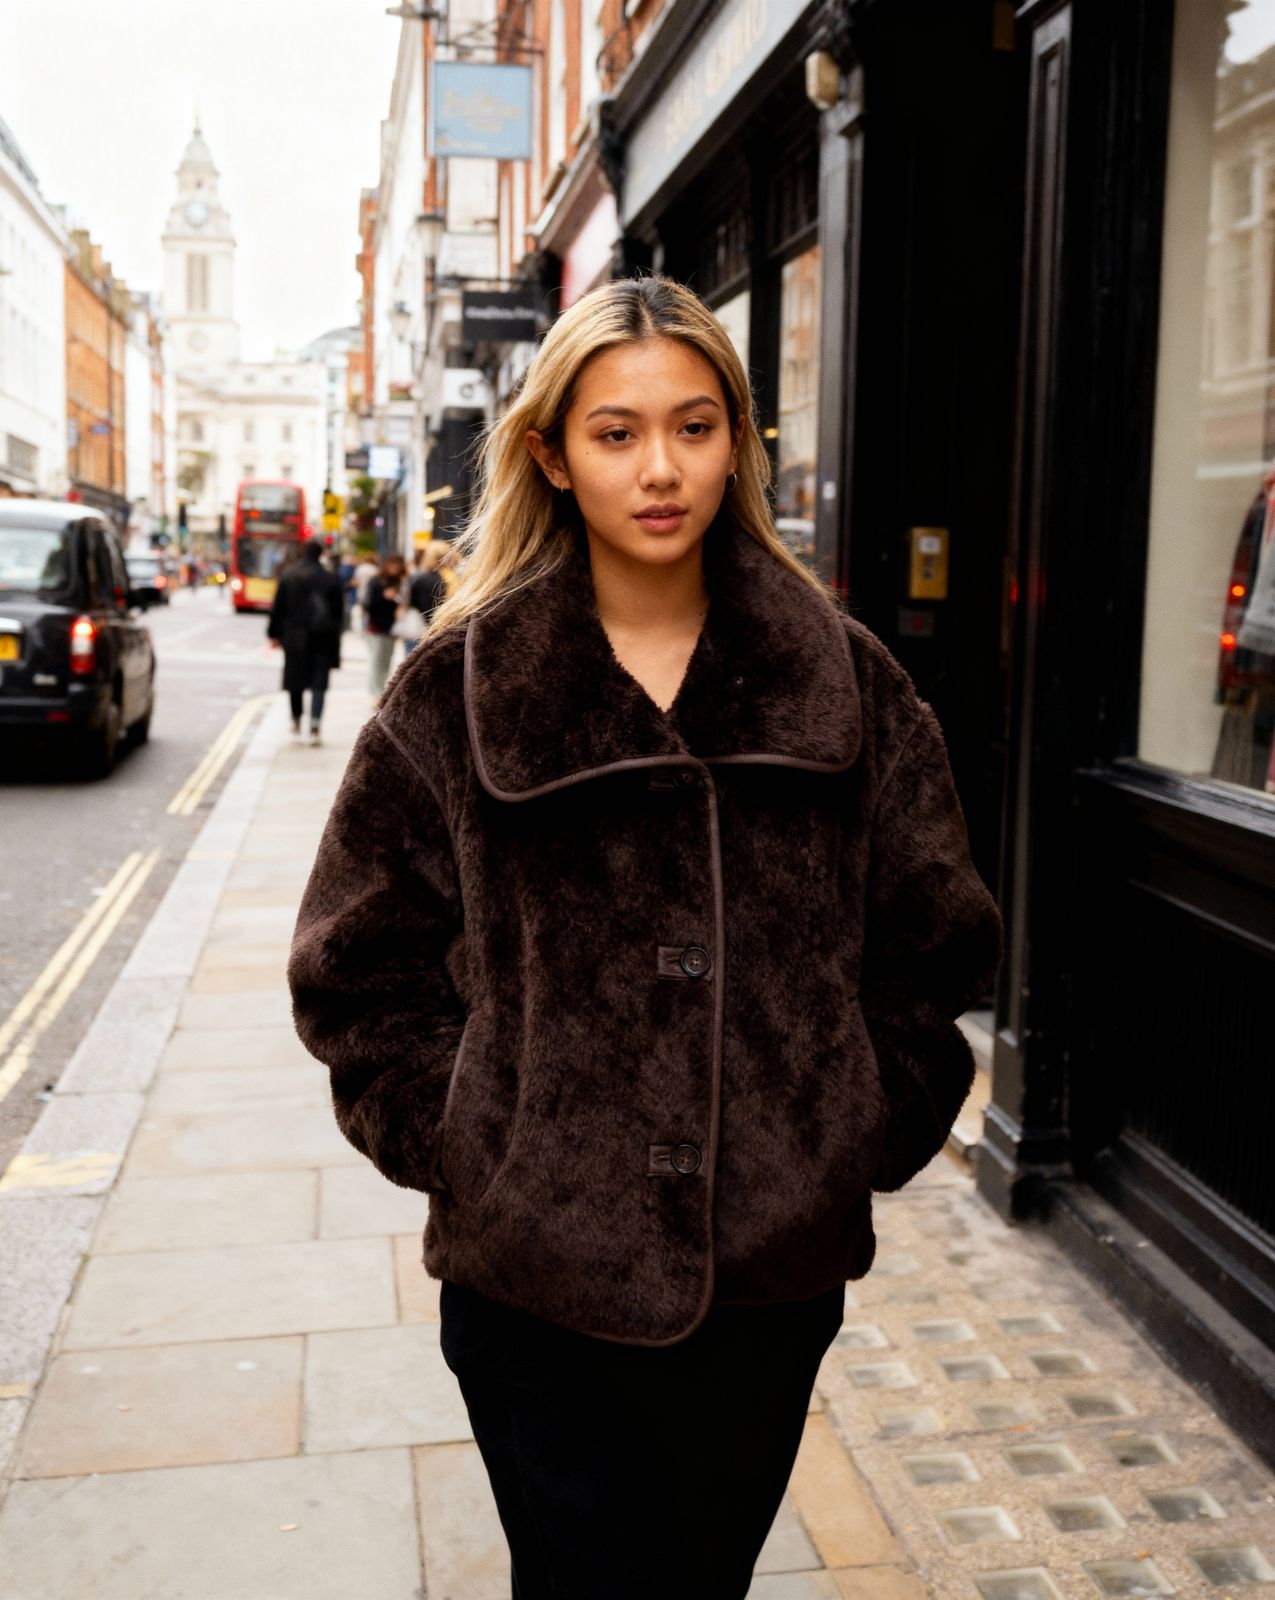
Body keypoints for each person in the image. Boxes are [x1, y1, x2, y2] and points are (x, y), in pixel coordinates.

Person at [287, 275, 1003, 1597]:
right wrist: (470, 1137)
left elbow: (932, 949)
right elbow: (355, 962)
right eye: (614, 434)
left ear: (735, 442)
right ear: (551, 456)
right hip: (531, 1277)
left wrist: (840, 1128)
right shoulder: (460, 691)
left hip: (765, 1274)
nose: (657, 468)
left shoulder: (841, 682)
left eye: (691, 426)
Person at [266, 538, 343, 745]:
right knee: (319, 681)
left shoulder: (289, 575)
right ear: (320, 554)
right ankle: (315, 726)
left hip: (295, 636)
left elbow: (278, 608)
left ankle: (296, 718)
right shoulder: (331, 578)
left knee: (295, 678)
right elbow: (338, 614)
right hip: (323, 636)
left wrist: (273, 634)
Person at [362, 553, 406, 698]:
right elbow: (367, 603)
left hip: (392, 626)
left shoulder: (399, 582)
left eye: (398, 566)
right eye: (393, 565)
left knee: (386, 659)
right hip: (376, 625)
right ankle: (376, 691)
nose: (395, 568)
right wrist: (384, 597)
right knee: (377, 659)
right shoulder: (376, 581)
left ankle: (381, 690)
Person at [401, 542, 448, 654]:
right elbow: (427, 607)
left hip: (417, 626)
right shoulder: (435, 578)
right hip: (424, 627)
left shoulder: (418, 575)